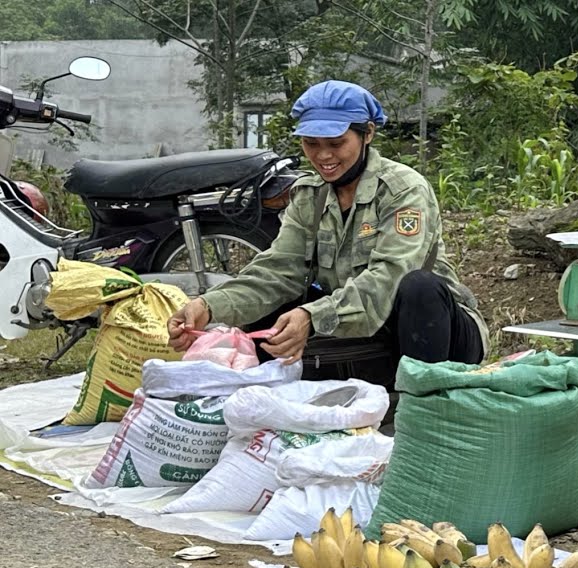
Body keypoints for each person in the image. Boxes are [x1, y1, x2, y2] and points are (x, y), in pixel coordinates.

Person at [167, 80, 487, 382]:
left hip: (436, 338)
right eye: (311, 143)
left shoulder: (403, 190)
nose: (323, 156)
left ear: (368, 134)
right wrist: (208, 307)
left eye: (336, 143)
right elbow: (279, 269)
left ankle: (427, 405)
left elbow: (389, 278)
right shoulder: (310, 194)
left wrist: (313, 317)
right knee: (270, 318)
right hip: (366, 337)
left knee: (419, 287)